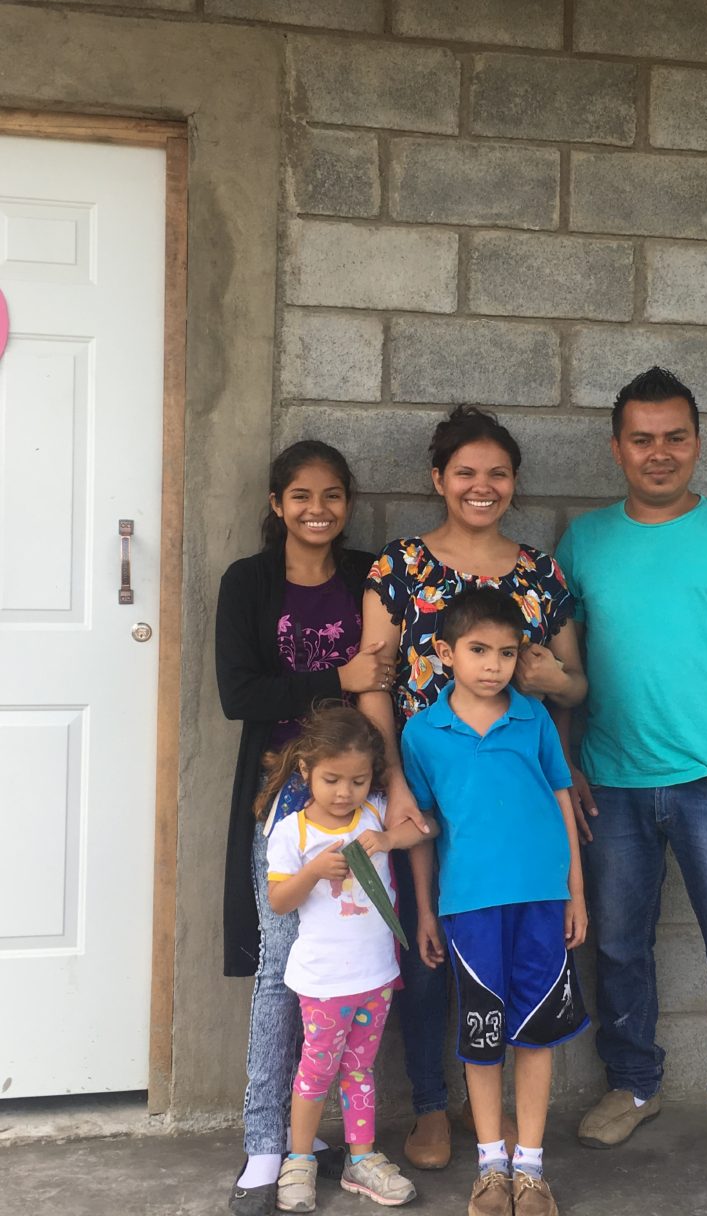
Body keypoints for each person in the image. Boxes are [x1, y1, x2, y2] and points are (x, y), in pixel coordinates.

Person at [555, 367, 707, 1186]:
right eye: (642, 439)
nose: (658, 453)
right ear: (616, 448)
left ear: (697, 442)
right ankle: (634, 1084)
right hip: (611, 782)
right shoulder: (584, 541)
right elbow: (565, 667)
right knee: (618, 944)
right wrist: (567, 763)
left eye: (675, 437)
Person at [357, 406, 587, 1170]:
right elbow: (374, 682)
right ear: (438, 478)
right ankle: (432, 1103)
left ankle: (494, 1120)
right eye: (465, 472)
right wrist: (395, 780)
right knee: (429, 948)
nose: (481, 486)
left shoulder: (541, 573)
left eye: (497, 473)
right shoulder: (398, 567)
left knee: (511, 947)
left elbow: (574, 684)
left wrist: (557, 685)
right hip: (428, 774)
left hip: (513, 786)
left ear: (514, 482)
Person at [216, 440, 397, 1216]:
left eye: (331, 496)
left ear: (347, 503)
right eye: (301, 496)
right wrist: (337, 678)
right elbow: (240, 694)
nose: (317, 510)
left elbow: (387, 676)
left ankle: (349, 1143)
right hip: (285, 796)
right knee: (279, 967)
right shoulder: (249, 583)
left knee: (364, 958)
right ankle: (268, 1144)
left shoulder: (367, 576)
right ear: (277, 504)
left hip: (360, 794)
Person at [401, 588, 589, 1216]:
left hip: (542, 899)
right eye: (478, 650)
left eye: (507, 653)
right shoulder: (423, 733)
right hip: (470, 906)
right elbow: (423, 828)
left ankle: (530, 1169)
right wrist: (426, 910)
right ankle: (490, 1167)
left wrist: (575, 892)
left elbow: (561, 800)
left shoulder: (533, 719)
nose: (493, 665)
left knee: (535, 1035)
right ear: (445, 652)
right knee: (482, 1036)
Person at [263, 703, 436, 1213]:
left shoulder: (375, 812)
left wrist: (387, 838)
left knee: (360, 1070)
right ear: (305, 771)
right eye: (332, 780)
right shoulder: (293, 832)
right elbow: (279, 901)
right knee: (316, 1072)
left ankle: (361, 1159)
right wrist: (313, 871)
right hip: (323, 983)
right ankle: (299, 1160)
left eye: (358, 781)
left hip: (376, 976)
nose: (345, 793)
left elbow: (425, 829)